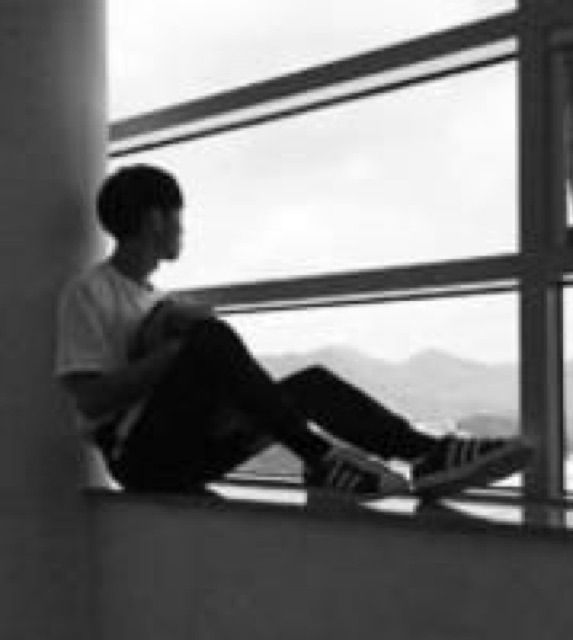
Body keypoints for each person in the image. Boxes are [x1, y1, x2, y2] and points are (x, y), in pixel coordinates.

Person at [55, 164, 531, 499]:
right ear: (155, 218)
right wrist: (178, 350)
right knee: (208, 338)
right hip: (139, 460)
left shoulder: (159, 300)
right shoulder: (90, 292)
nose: (183, 227)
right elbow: (91, 400)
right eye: (178, 215)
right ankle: (320, 457)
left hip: (190, 446)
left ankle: (426, 454)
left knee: (310, 386)